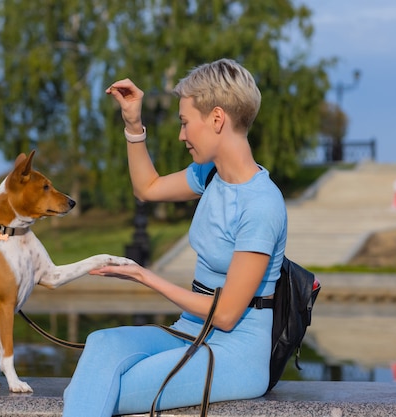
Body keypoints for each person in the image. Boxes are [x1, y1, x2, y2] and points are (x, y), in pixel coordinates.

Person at [62, 58, 287, 417]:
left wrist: (143, 276)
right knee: (101, 343)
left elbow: (227, 314)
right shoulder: (209, 175)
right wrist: (133, 124)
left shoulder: (261, 205)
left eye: (185, 123)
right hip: (190, 330)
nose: (181, 135)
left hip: (235, 353)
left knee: (98, 388)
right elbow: (147, 188)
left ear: (216, 119)